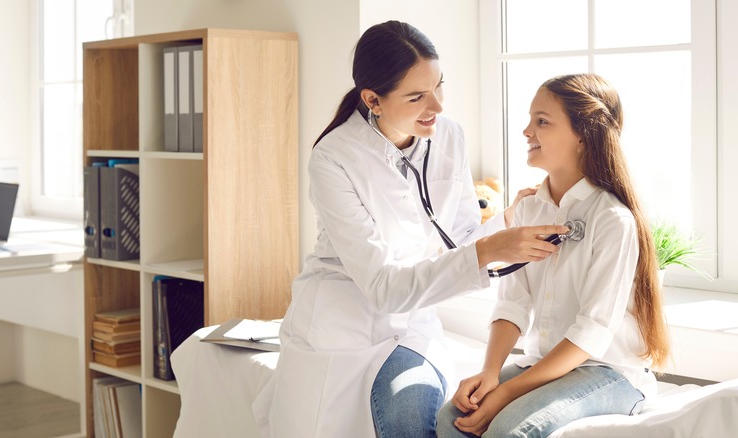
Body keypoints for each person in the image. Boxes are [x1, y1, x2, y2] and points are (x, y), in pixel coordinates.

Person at [251, 20, 567, 438]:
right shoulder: (333, 158)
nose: (435, 106)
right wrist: (490, 250)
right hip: (341, 323)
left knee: (412, 418)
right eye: (416, 96)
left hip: (412, 324)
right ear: (373, 100)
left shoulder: (448, 135)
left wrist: (505, 223)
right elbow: (383, 287)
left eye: (439, 87)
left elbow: (460, 237)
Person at [436, 73, 671, 437]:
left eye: (542, 121)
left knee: (511, 431)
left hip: (607, 371)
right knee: (451, 420)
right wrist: (490, 373)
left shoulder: (612, 219)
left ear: (583, 135)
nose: (527, 131)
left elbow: (592, 333)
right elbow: (513, 303)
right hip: (543, 364)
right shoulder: (530, 210)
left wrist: (506, 394)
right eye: (530, 120)